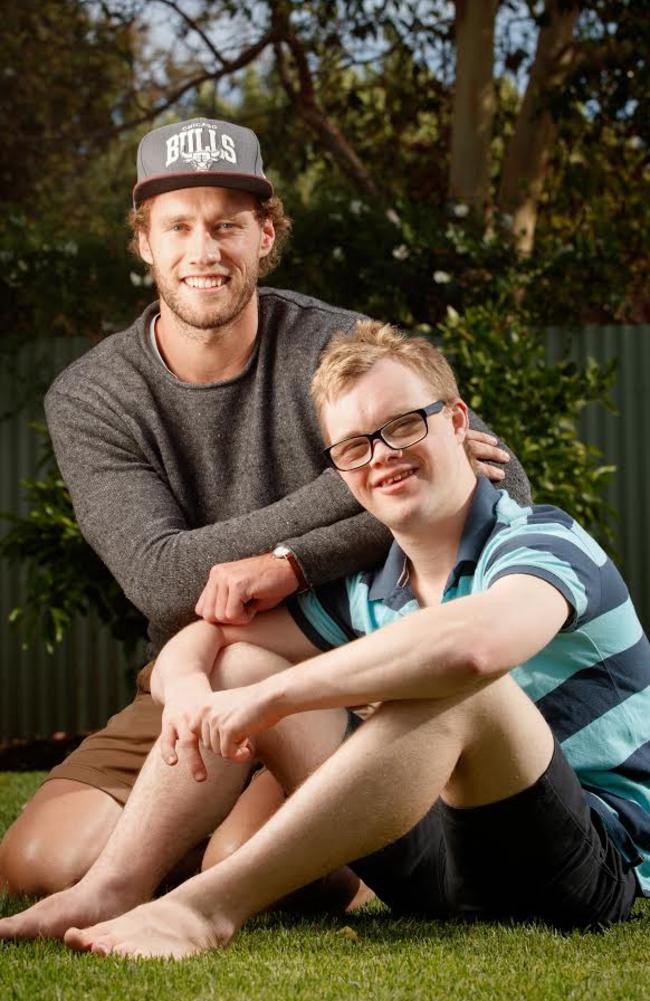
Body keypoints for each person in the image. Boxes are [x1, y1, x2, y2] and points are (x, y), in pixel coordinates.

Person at [2, 319, 647, 959]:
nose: (383, 457)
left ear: (456, 422)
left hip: (581, 864)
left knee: (463, 691)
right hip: (435, 871)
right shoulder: (370, 588)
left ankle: (203, 910)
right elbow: (207, 638)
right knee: (242, 660)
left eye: (402, 425)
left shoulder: (542, 541)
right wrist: (194, 690)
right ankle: (115, 886)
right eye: (355, 448)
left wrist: (274, 699)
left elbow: (473, 650)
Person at [0, 118, 528, 899]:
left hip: (343, 665)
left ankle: (290, 825)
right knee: (40, 863)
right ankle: (234, 817)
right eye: (178, 226)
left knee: (273, 876)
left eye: (227, 226)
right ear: (143, 242)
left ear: (265, 234)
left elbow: (498, 482)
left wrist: (292, 566)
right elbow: (163, 578)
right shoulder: (93, 394)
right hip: (195, 670)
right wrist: (350, 477)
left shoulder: (334, 341)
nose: (204, 252)